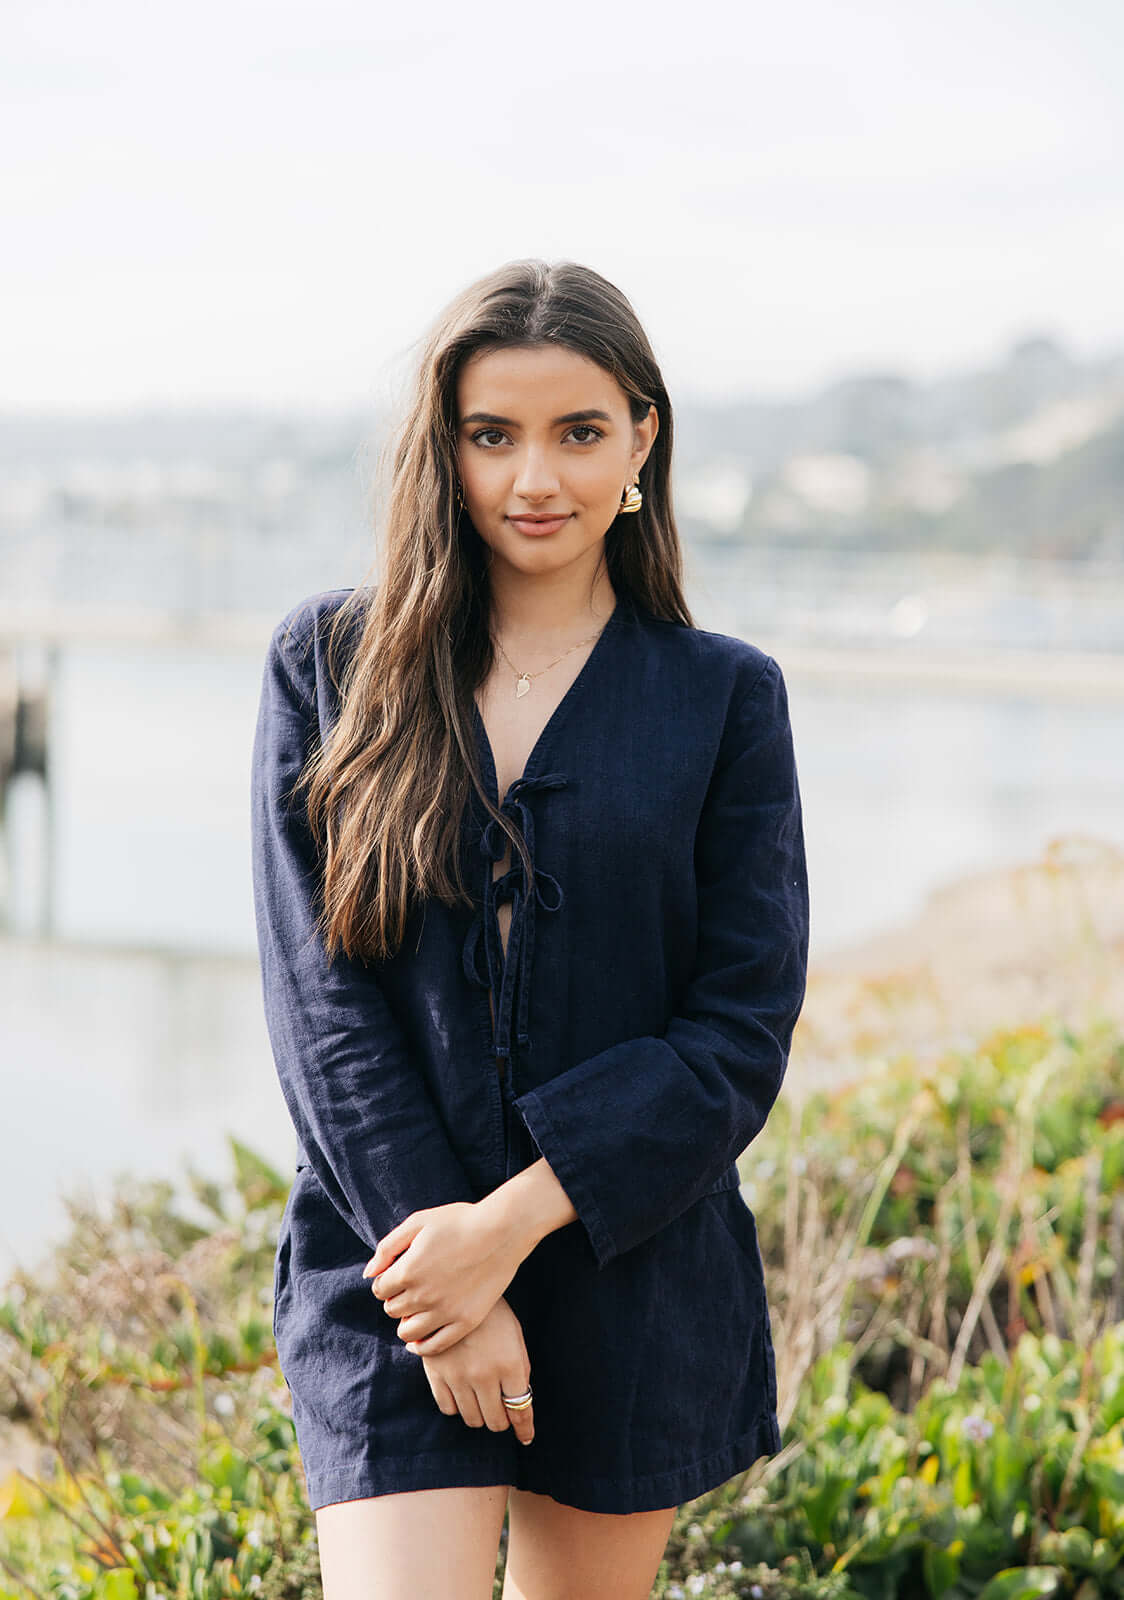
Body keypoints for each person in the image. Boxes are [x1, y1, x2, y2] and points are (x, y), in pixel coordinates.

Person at [250, 258, 810, 1600]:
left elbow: (738, 1031)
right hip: (394, 1269)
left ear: (643, 441)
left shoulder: (725, 697)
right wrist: (446, 1275)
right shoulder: (331, 662)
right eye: (491, 435)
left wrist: (506, 1229)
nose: (533, 478)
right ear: (443, 447)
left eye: (578, 432)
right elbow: (320, 1006)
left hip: (633, 1264)